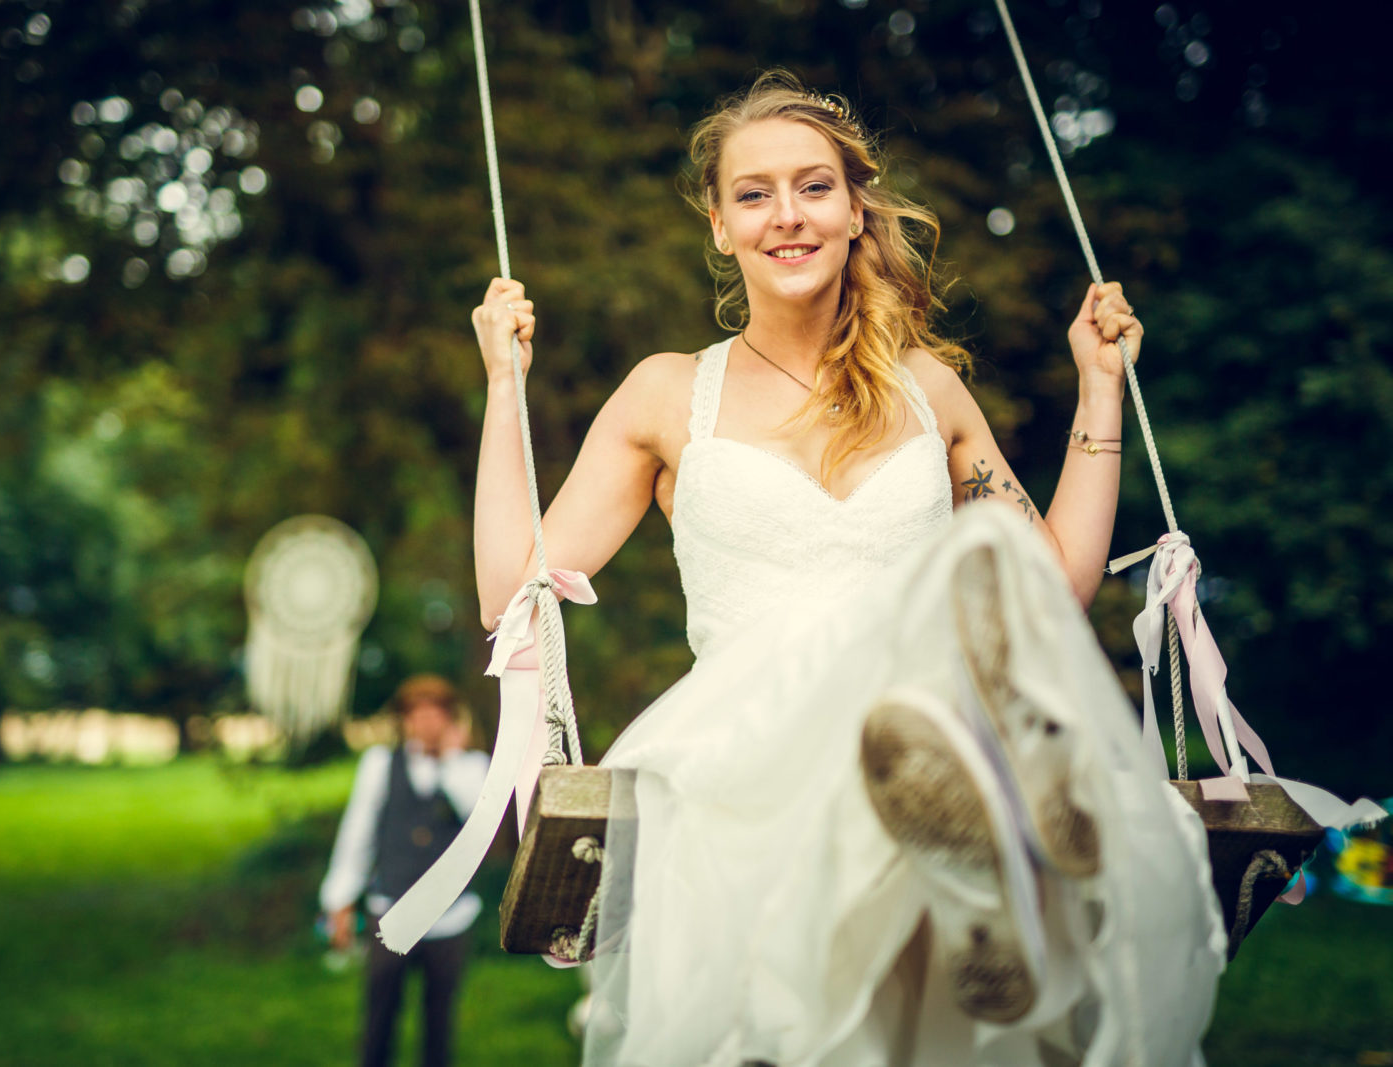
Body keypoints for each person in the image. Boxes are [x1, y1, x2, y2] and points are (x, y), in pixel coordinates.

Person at [468, 71, 1226, 1066]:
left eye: (813, 187)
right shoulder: (666, 394)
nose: (787, 215)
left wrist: (1099, 388)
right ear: (719, 222)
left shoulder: (926, 390)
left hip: (920, 729)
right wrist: (503, 386)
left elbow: (1047, 585)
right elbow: (510, 594)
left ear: (853, 207)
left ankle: (974, 858)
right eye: (754, 193)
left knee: (963, 641)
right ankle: (985, 866)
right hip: (744, 762)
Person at [319, 674, 490, 1067]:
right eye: (417, 714)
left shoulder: (473, 767)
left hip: (452, 915)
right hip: (390, 907)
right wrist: (340, 898)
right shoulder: (380, 763)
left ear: (450, 717)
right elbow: (357, 831)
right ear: (405, 719)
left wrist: (450, 760)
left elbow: (478, 820)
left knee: (440, 1017)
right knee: (380, 1009)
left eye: (436, 713)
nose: (426, 723)